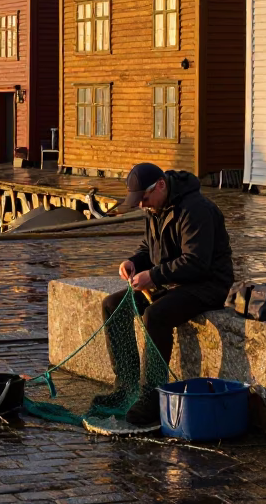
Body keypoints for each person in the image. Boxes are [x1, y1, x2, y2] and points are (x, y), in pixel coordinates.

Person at [100, 162, 234, 426]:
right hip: (172, 281)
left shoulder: (196, 210)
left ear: (160, 185)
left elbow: (196, 262)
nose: (142, 205)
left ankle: (151, 396)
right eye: (138, 200)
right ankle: (126, 387)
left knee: (155, 315)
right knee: (112, 305)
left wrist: (154, 276)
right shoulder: (155, 207)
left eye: (145, 198)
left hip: (207, 285)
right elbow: (149, 249)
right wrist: (134, 263)